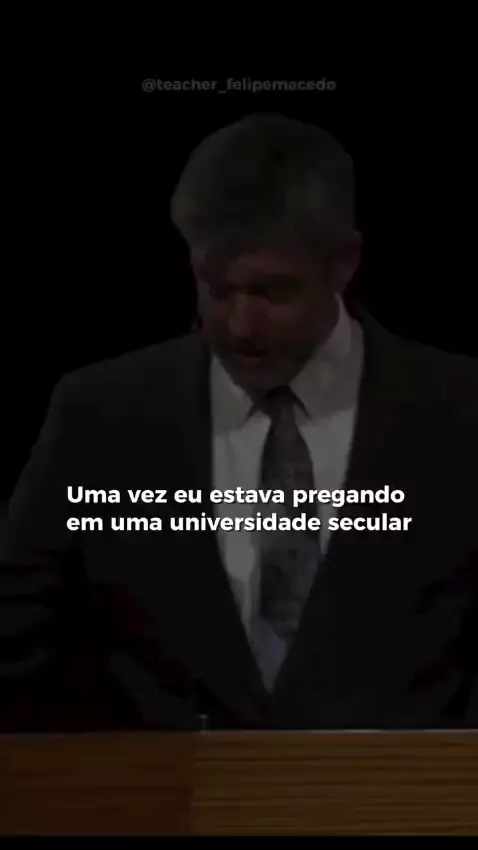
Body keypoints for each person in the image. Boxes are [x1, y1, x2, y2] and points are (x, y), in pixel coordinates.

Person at [1, 113, 477, 732]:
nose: (240, 326)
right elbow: (16, 637)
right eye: (216, 288)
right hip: (163, 792)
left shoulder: (461, 414)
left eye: (272, 292)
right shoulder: (99, 415)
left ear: (344, 263)